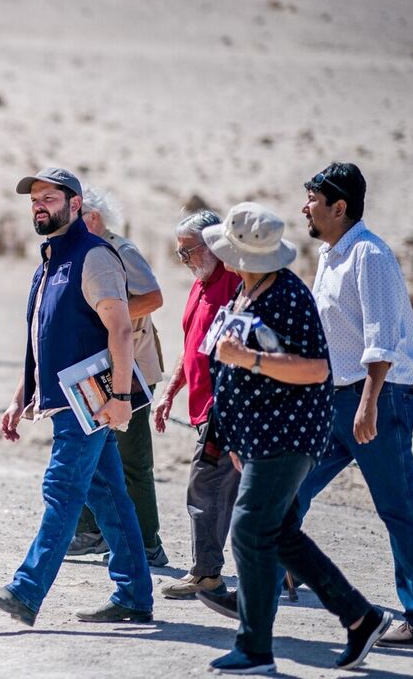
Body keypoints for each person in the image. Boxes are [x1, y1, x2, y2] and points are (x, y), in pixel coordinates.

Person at [196, 201, 392, 674]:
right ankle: (361, 617)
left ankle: (255, 649)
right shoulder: (249, 291)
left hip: (288, 436)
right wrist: (234, 437)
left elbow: (315, 369)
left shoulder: (286, 296)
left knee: (248, 530)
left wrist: (249, 361)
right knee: (280, 534)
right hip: (261, 439)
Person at [0, 167, 153, 626]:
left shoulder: (94, 256)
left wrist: (123, 397)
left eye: (50, 197)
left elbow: (122, 328)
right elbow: (39, 338)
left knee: (63, 488)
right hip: (66, 401)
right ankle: (134, 594)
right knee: (107, 495)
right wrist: (20, 396)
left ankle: (26, 592)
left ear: (75, 204)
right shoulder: (48, 262)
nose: (39, 204)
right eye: (35, 198)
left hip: (91, 400)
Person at [297, 162, 413, 648]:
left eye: (313, 199)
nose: (305, 206)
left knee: (398, 508)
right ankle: (276, 574)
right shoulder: (329, 254)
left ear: (339, 207)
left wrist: (369, 404)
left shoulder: (370, 255)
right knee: (287, 487)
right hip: (334, 399)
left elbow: (380, 338)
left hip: (377, 398)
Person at [66, 185, 168, 568]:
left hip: (134, 372)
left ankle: (148, 543)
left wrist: (109, 315)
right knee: (90, 453)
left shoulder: (120, 251)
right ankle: (91, 533)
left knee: (132, 460)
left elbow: (153, 297)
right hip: (99, 371)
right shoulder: (86, 252)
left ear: (91, 218)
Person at [154, 211, 243, 600]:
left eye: (187, 251)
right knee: (232, 493)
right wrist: (171, 390)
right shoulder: (200, 285)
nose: (184, 260)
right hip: (204, 406)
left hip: (224, 409)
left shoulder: (236, 283)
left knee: (204, 489)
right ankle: (286, 566)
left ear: (213, 245)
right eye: (179, 254)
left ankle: (206, 574)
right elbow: (192, 347)